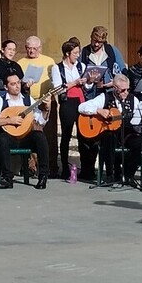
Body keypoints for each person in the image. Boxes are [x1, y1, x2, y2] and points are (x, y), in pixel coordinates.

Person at [77, 74, 142, 186]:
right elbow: (81, 107)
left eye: (128, 89)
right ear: (115, 88)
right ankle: (111, 174)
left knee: (141, 144)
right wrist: (98, 110)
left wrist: (141, 124)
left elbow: (138, 123)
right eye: (123, 90)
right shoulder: (105, 97)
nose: (126, 92)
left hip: (127, 134)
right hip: (109, 134)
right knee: (109, 138)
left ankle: (128, 175)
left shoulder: (134, 100)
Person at [0, 75, 51, 189]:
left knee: (40, 137)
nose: (17, 86)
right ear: (6, 87)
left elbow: (41, 120)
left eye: (18, 83)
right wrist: (9, 120)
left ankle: (43, 176)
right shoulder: (0, 100)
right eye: (13, 84)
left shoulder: (28, 100)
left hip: (25, 137)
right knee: (2, 139)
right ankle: (7, 178)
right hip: (9, 137)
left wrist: (46, 108)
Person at [17, 35, 60, 176]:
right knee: (31, 134)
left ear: (40, 48)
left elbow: (55, 79)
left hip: (47, 101)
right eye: (29, 48)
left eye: (34, 49)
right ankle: (30, 167)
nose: (31, 51)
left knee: (49, 136)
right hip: (28, 103)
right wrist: (24, 85)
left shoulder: (49, 61)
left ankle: (51, 168)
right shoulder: (21, 62)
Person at [50, 40, 93, 180]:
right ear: (67, 53)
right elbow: (58, 88)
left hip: (81, 102)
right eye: (75, 53)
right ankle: (64, 168)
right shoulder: (58, 68)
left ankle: (86, 168)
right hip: (67, 102)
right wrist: (75, 82)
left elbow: (87, 88)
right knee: (66, 135)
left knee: (83, 135)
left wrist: (89, 81)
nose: (77, 55)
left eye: (78, 52)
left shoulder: (82, 66)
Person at [79, 25, 126, 92]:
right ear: (91, 37)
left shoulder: (112, 50)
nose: (96, 44)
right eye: (94, 41)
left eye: (100, 42)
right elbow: (79, 72)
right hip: (90, 93)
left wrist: (115, 82)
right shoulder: (84, 52)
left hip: (110, 91)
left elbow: (122, 69)